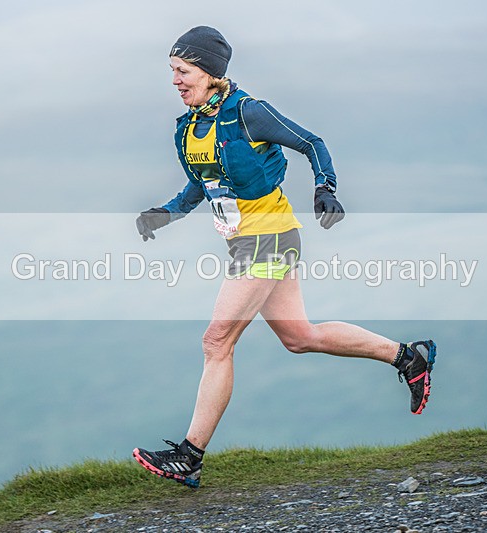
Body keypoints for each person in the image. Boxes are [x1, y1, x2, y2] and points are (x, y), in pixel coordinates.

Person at [132, 26, 437, 489]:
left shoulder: (249, 112)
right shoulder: (192, 124)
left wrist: (325, 188)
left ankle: (190, 457)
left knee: (217, 342)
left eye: (183, 71)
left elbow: (312, 143)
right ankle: (407, 358)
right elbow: (203, 181)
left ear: (211, 73)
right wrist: (166, 213)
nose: (174, 80)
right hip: (245, 241)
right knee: (299, 336)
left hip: (269, 239)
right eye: (172, 71)